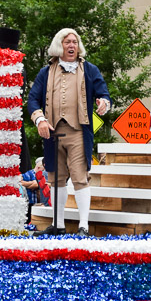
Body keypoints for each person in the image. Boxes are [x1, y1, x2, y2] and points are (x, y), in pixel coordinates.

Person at [27, 28, 110, 237]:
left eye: (74, 42)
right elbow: (32, 99)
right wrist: (40, 120)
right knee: (55, 177)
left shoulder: (89, 70)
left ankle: (83, 225)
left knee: (80, 178)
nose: (71, 45)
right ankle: (58, 224)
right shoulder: (46, 72)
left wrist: (103, 102)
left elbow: (103, 93)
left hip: (78, 132)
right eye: (67, 42)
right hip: (53, 133)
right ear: (59, 46)